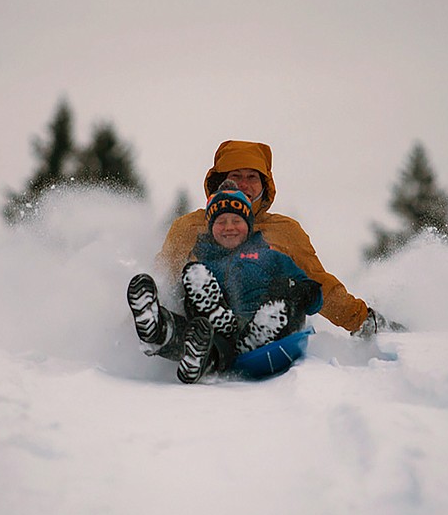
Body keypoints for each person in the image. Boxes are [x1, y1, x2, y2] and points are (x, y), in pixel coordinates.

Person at [130, 139, 401, 361]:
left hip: (266, 332)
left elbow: (318, 283)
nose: (244, 184)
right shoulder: (190, 226)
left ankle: (253, 333)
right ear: (220, 181)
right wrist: (137, 319)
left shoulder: (284, 230)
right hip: (206, 326)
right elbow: (164, 277)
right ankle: (172, 335)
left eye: (252, 177)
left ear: (265, 184)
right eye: (236, 176)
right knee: (190, 280)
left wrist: (362, 319)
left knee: (293, 285)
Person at [131, 180, 323, 383]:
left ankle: (252, 335)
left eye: (236, 220)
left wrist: (299, 291)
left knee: (286, 295)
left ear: (248, 224)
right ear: (211, 227)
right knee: (194, 281)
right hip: (220, 338)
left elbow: (315, 300)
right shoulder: (204, 263)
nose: (229, 227)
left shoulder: (272, 258)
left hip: (270, 333)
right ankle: (160, 330)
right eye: (221, 222)